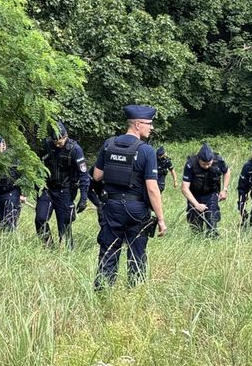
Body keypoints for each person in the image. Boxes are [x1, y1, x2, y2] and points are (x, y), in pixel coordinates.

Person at [91, 105, 167, 288]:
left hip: (112, 207)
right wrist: (161, 220)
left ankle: (102, 291)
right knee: (137, 253)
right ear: (138, 124)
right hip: (136, 210)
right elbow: (152, 188)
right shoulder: (147, 151)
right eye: (149, 124)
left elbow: (96, 176)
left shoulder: (109, 144)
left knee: (109, 250)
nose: (152, 127)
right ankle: (135, 293)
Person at [35, 122, 90, 246]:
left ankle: (67, 249)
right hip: (48, 189)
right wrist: (36, 189)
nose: (58, 145)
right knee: (40, 219)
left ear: (66, 136)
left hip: (65, 191)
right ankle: (48, 247)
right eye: (55, 142)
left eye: (60, 142)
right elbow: (39, 169)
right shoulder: (46, 146)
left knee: (64, 225)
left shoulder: (75, 149)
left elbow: (84, 174)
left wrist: (83, 197)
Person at [181, 143, 229, 235]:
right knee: (195, 226)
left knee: (211, 221)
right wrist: (196, 204)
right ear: (199, 160)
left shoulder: (218, 160)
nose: (207, 166)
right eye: (204, 164)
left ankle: (212, 241)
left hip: (211, 194)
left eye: (209, 164)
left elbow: (227, 172)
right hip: (194, 195)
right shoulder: (191, 164)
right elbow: (184, 188)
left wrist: (224, 189)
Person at [0, 135, 25, 231]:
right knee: (0, 219)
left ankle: (10, 241)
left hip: (11, 191)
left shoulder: (13, 158)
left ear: (3, 144)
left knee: (10, 220)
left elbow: (23, 176)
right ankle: (4, 241)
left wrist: (23, 194)